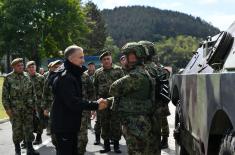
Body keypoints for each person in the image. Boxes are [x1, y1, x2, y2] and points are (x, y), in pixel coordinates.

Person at [48, 45, 107, 155]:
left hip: (70, 124)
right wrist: (95, 105)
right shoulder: (65, 77)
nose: (83, 60)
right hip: (64, 126)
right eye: (80, 57)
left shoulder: (72, 73)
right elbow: (72, 102)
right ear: (71, 58)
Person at [106, 42, 160, 155]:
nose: (124, 59)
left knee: (136, 151)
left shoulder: (135, 76)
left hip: (135, 124)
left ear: (133, 57)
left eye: (127, 56)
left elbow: (114, 89)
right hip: (141, 122)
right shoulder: (144, 72)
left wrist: (125, 68)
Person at [2, 58, 39, 155]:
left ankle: (30, 149)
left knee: (29, 129)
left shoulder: (27, 76)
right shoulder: (8, 78)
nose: (21, 67)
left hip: (28, 108)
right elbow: (5, 96)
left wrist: (34, 105)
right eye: (19, 66)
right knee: (17, 130)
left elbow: (32, 91)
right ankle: (17, 150)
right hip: (15, 110)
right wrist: (8, 109)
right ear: (13, 67)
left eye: (22, 65)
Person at [139, 40, 171, 149]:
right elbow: (166, 75)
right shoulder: (158, 67)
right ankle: (164, 139)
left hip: (152, 102)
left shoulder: (144, 68)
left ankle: (163, 139)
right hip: (160, 100)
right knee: (162, 121)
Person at [93, 51, 124, 153]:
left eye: (108, 59)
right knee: (104, 123)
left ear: (111, 59)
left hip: (115, 101)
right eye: (104, 59)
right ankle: (106, 146)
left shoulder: (119, 70)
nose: (106, 61)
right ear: (101, 61)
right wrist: (95, 103)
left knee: (116, 124)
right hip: (103, 102)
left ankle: (116, 146)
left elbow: (123, 86)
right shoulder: (98, 72)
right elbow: (95, 87)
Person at [26, 61, 45, 145]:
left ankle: (38, 138)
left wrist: (44, 104)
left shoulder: (41, 77)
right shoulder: (25, 77)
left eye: (33, 67)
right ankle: (27, 140)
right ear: (27, 69)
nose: (31, 69)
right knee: (27, 122)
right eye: (29, 67)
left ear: (35, 68)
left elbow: (45, 91)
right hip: (27, 104)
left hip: (39, 103)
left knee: (39, 121)